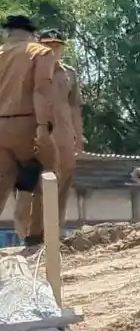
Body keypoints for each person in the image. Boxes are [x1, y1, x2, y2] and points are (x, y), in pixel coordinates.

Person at [0, 15, 58, 246]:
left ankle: (22, 191)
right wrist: (43, 127)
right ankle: (34, 239)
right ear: (31, 33)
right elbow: (40, 91)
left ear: (9, 33)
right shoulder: (40, 52)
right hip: (26, 122)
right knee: (48, 174)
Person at [35, 30, 80, 232]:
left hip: (64, 138)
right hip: (38, 138)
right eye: (48, 45)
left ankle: (56, 232)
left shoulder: (69, 73)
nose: (53, 49)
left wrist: (79, 137)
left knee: (63, 184)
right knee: (38, 185)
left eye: (57, 45)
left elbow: (75, 107)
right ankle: (35, 234)